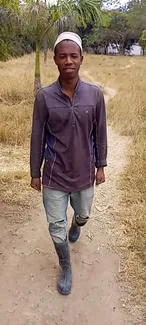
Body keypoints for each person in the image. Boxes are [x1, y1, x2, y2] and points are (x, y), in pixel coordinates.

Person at [30, 32, 107, 296]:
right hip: (54, 174)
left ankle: (77, 224)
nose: (68, 61)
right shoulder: (45, 97)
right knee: (55, 226)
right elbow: (37, 135)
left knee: (84, 215)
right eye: (62, 56)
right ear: (55, 60)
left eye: (73, 56)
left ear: (82, 59)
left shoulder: (95, 95)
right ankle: (65, 266)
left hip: (84, 172)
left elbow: (100, 133)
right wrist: (34, 172)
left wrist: (101, 165)